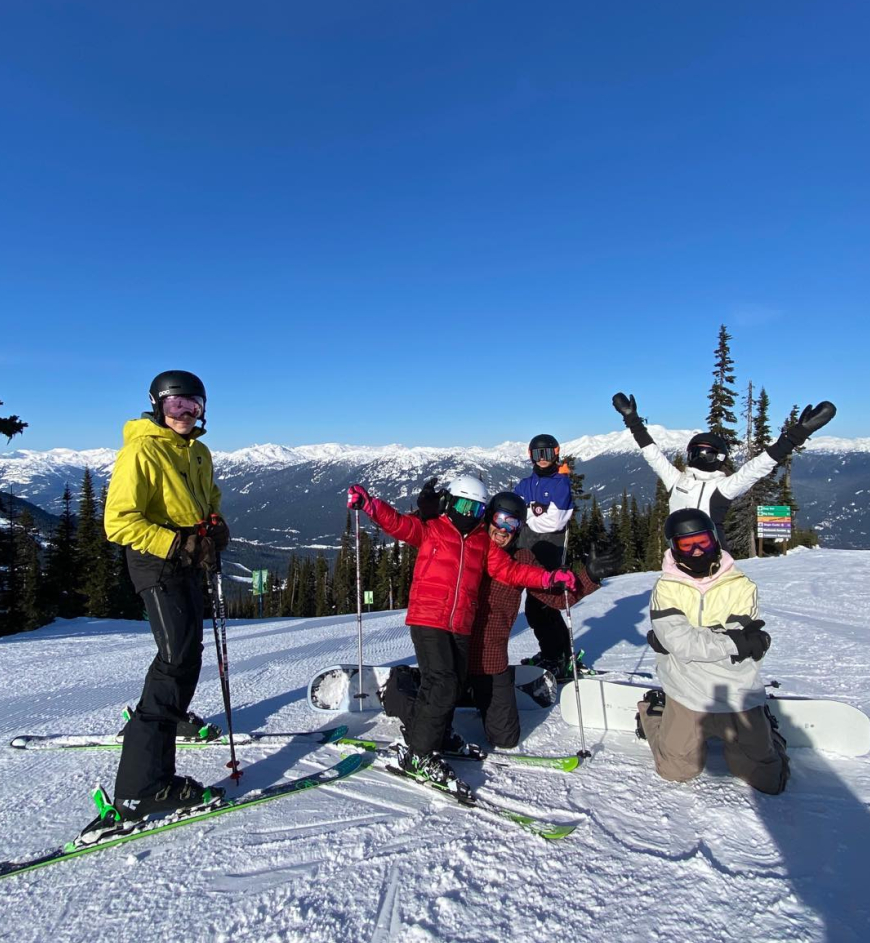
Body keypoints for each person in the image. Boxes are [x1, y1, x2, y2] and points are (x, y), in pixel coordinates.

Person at [347, 476, 577, 791]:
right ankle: (419, 754)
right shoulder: (432, 529)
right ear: (452, 502)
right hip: (428, 619)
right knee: (441, 683)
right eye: (463, 505)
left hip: (459, 624)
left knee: (452, 686)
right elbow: (399, 524)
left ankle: (437, 735)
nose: (468, 513)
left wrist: (549, 577)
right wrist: (370, 504)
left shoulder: (483, 541)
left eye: (475, 507)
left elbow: (509, 571)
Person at [103, 370, 231, 821]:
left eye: (193, 406)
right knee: (175, 659)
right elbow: (119, 522)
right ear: (158, 406)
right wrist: (176, 544)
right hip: (156, 561)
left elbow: (208, 498)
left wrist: (212, 526)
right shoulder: (142, 449)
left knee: (187, 652)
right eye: (176, 405)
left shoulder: (198, 451)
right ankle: (142, 785)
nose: (185, 414)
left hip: (188, 559)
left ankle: (171, 717)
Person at [636, 508, 789, 795]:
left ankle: (765, 728)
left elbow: (685, 643)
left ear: (714, 540)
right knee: (676, 770)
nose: (696, 551)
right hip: (685, 689)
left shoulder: (740, 585)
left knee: (768, 780)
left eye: (702, 542)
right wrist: (734, 643)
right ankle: (655, 711)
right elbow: (685, 643)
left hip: (736, 688)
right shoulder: (666, 588)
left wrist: (678, 642)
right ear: (674, 547)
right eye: (686, 544)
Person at [612, 393, 837, 551]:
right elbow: (652, 453)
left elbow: (759, 466)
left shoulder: (724, 487)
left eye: (706, 453)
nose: (700, 457)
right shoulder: (676, 479)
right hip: (678, 556)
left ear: (719, 458)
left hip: (715, 558)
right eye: (696, 452)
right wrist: (632, 420)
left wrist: (797, 434)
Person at [513, 433, 615, 677]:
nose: (542, 459)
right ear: (530, 456)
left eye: (547, 453)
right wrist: (532, 516)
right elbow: (515, 509)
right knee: (541, 608)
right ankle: (558, 653)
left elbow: (554, 522)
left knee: (541, 606)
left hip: (550, 550)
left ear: (556, 453)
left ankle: (554, 656)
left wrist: (528, 516)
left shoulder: (560, 483)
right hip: (527, 549)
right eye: (537, 454)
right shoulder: (525, 484)